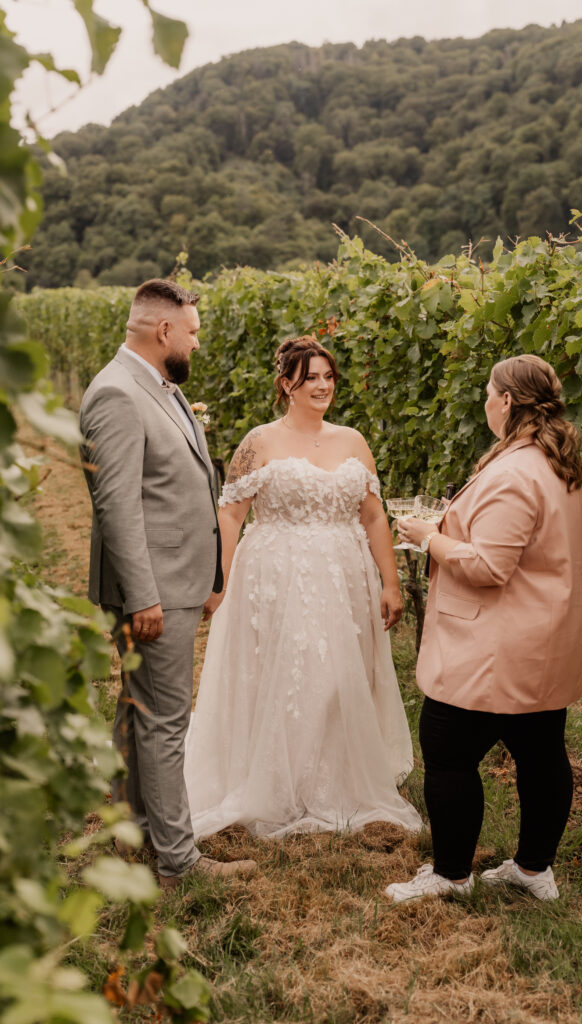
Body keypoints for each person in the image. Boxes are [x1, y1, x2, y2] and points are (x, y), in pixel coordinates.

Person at [184, 335, 422, 837]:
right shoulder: (259, 442)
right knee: (291, 675)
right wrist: (218, 579)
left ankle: (333, 782)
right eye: (310, 377)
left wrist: (391, 582)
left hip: (344, 575)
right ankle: (279, 786)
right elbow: (230, 515)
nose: (322, 385)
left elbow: (374, 515)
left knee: (339, 677)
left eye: (328, 376)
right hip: (277, 575)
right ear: (286, 384)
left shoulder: (353, 441)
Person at [385, 354, 582, 903]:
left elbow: (488, 566)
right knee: (541, 751)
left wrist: (428, 535)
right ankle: (533, 871)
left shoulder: (513, 473)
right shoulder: (556, 462)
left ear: (506, 401)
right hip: (541, 639)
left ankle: (451, 876)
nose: (483, 402)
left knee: (447, 751)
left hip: (494, 646)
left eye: (487, 393)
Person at [80, 278, 256, 888]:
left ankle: (122, 830)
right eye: (193, 332)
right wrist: (144, 596)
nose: (197, 344)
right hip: (151, 586)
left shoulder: (157, 386)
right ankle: (179, 860)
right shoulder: (117, 394)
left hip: (175, 577)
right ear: (164, 332)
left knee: (139, 712)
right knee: (164, 718)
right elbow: (117, 507)